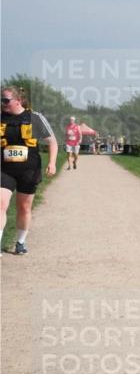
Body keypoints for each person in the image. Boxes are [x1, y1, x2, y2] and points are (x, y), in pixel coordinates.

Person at [1, 86, 57, 255]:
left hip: (29, 170)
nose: (2, 103)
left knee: (24, 208)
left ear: (18, 100)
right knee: (1, 204)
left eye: (5, 100)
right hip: (4, 169)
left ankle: (20, 242)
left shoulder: (34, 118)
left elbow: (52, 141)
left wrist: (52, 163)